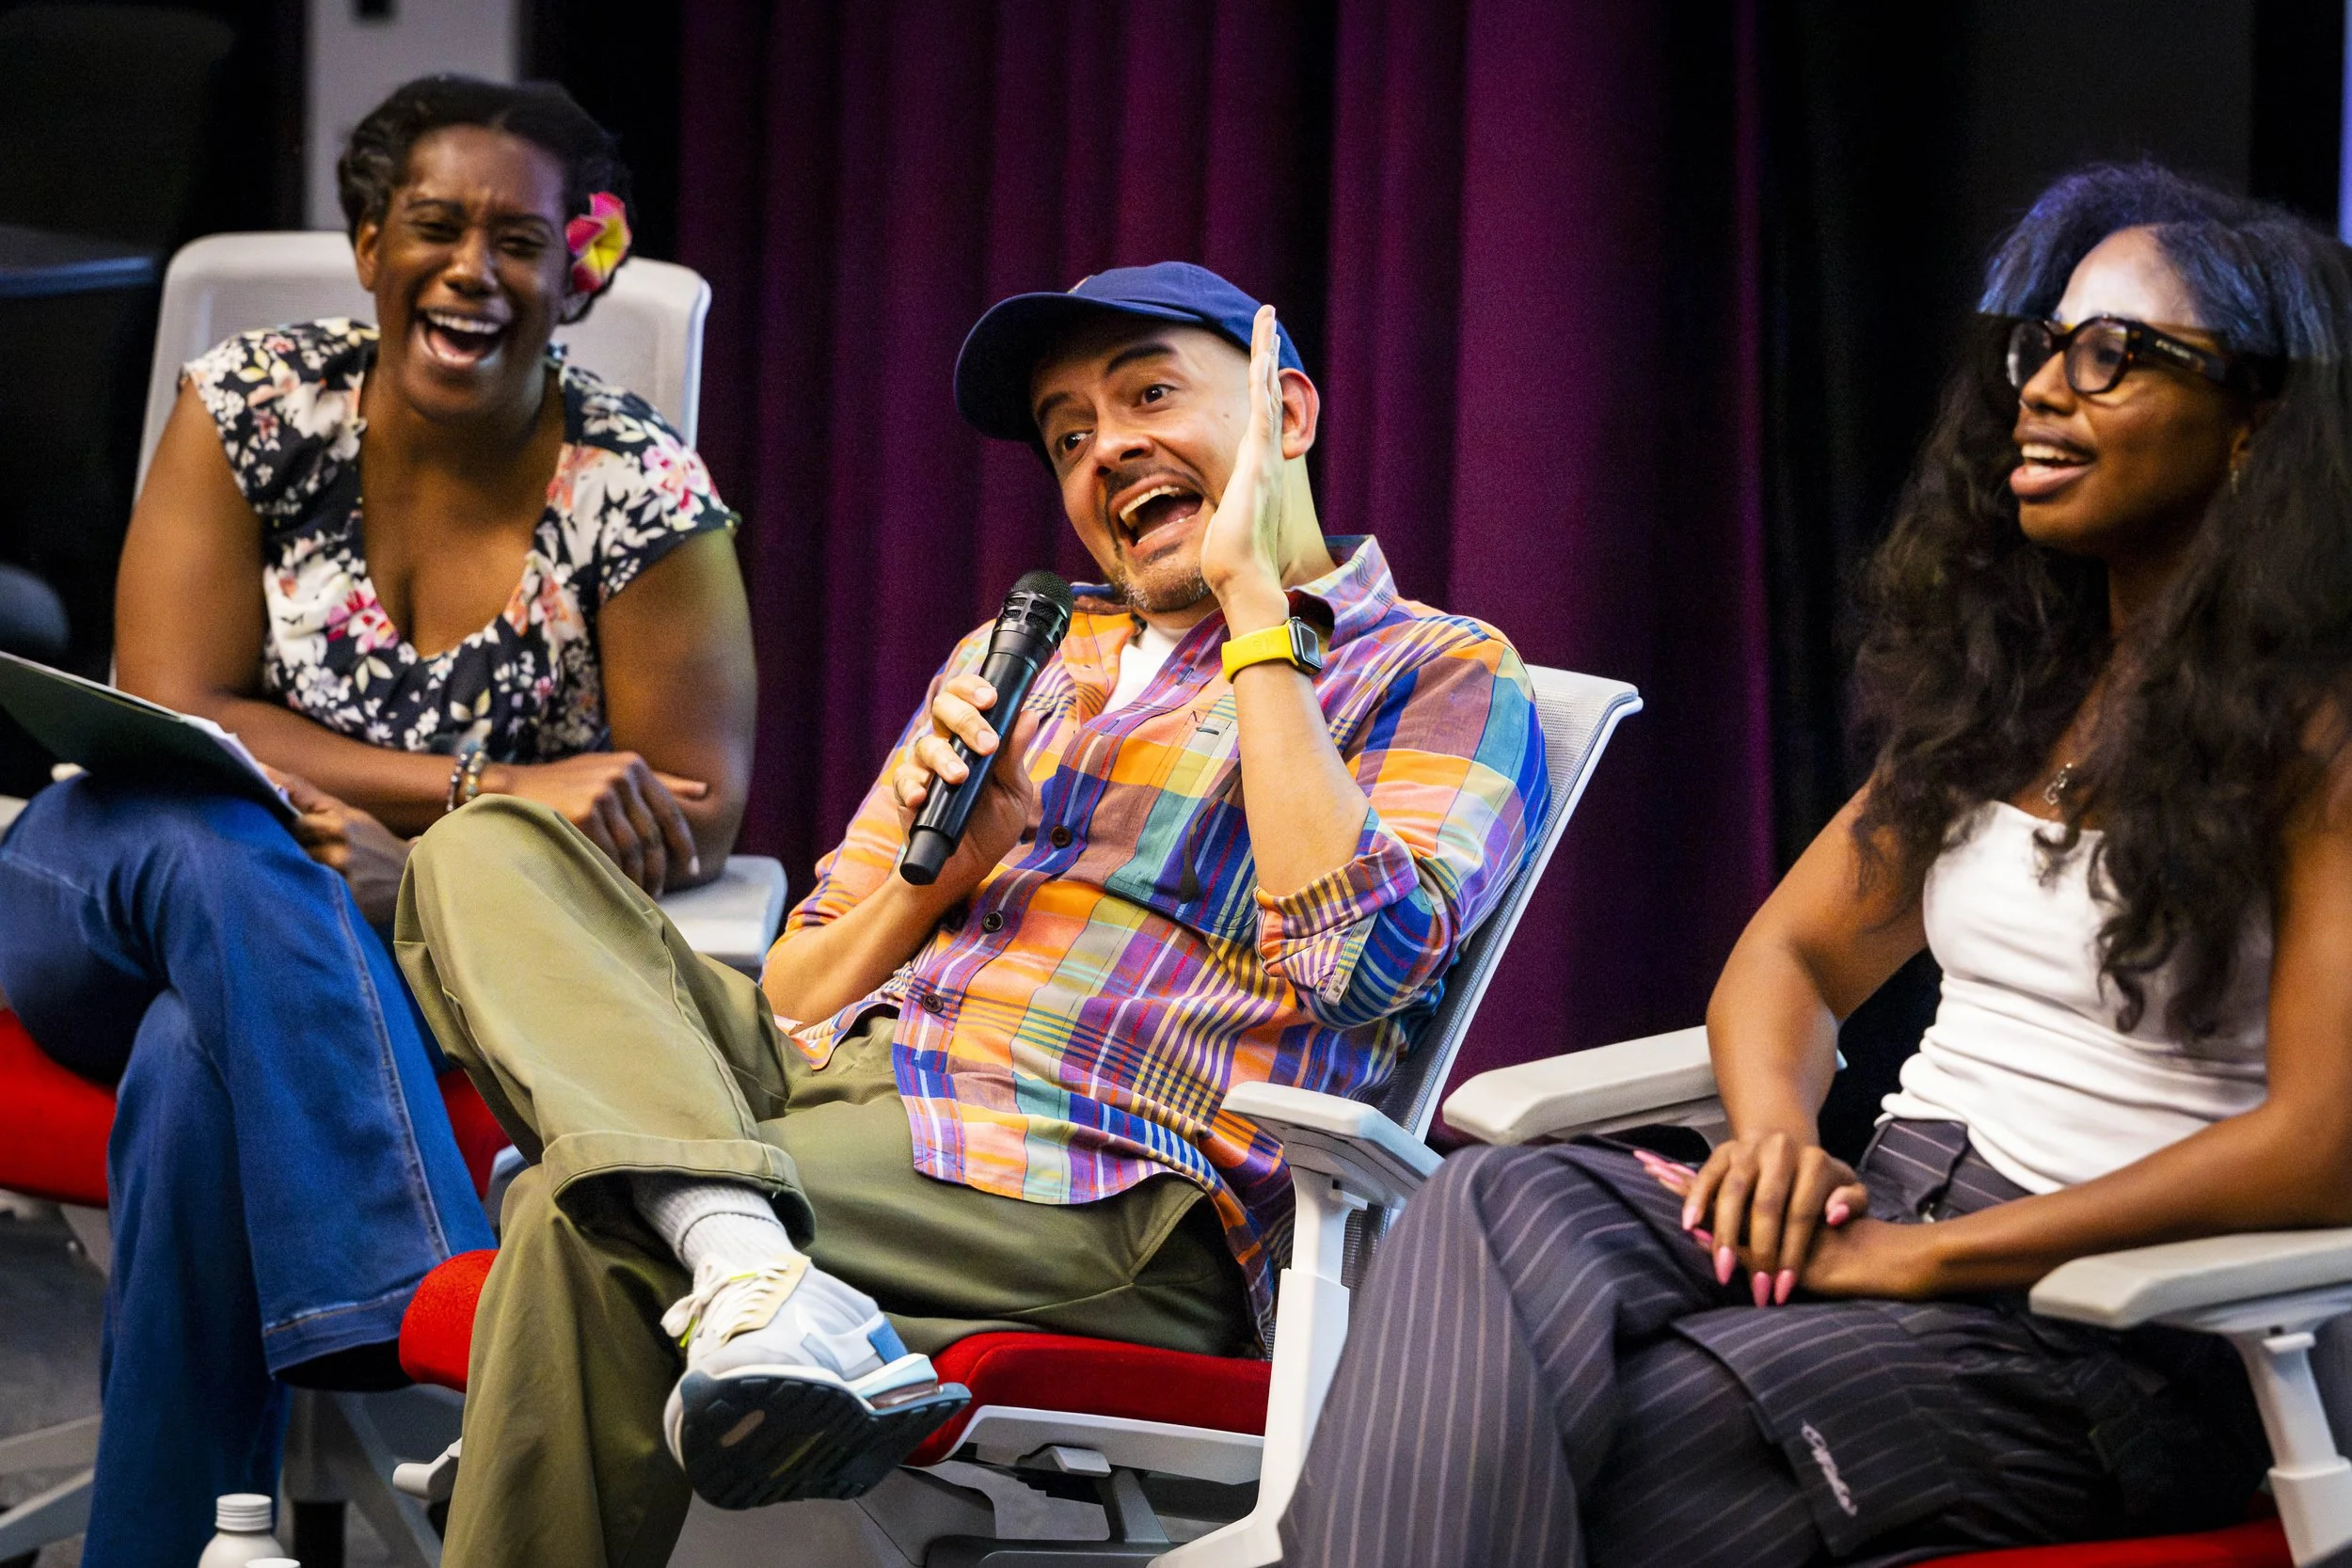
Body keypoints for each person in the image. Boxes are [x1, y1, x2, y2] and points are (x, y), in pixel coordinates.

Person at [1277, 162, 2352, 1567]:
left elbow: (2321, 1146)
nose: (2041, 388)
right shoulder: (2020, 694)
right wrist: (1778, 1138)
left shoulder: (2322, 735)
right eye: (2042, 348)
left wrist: (1936, 1257)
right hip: (1880, 1208)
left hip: (2113, 1328)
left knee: (1545, 1437)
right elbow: (1787, 960)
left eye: (2116, 357)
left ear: (2254, 427)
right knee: (1494, 1194)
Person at [391, 260, 1549, 1565]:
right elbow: (793, 996)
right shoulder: (1026, 658)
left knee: (577, 1211)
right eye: (1069, 435)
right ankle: (741, 1255)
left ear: (1287, 415)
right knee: (488, 846)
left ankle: (715, 1236)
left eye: (1149, 394)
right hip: (837, 1095)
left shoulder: (1442, 669)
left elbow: (1359, 963)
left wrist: (1253, 611)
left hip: (1098, 1178)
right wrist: (944, 872)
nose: (1108, 449)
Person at [0, 75, 755, 1568]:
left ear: (578, 272)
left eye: (522, 241)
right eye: (433, 225)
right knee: (234, 843)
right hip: (115, 882)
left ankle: (161, 1547)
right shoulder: (254, 400)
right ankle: (426, 1295)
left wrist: (417, 868)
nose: (474, 268)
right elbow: (173, 702)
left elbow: (697, 807)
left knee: (191, 1069)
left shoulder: (641, 488)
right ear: (366, 245)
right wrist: (490, 792)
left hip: (375, 965)